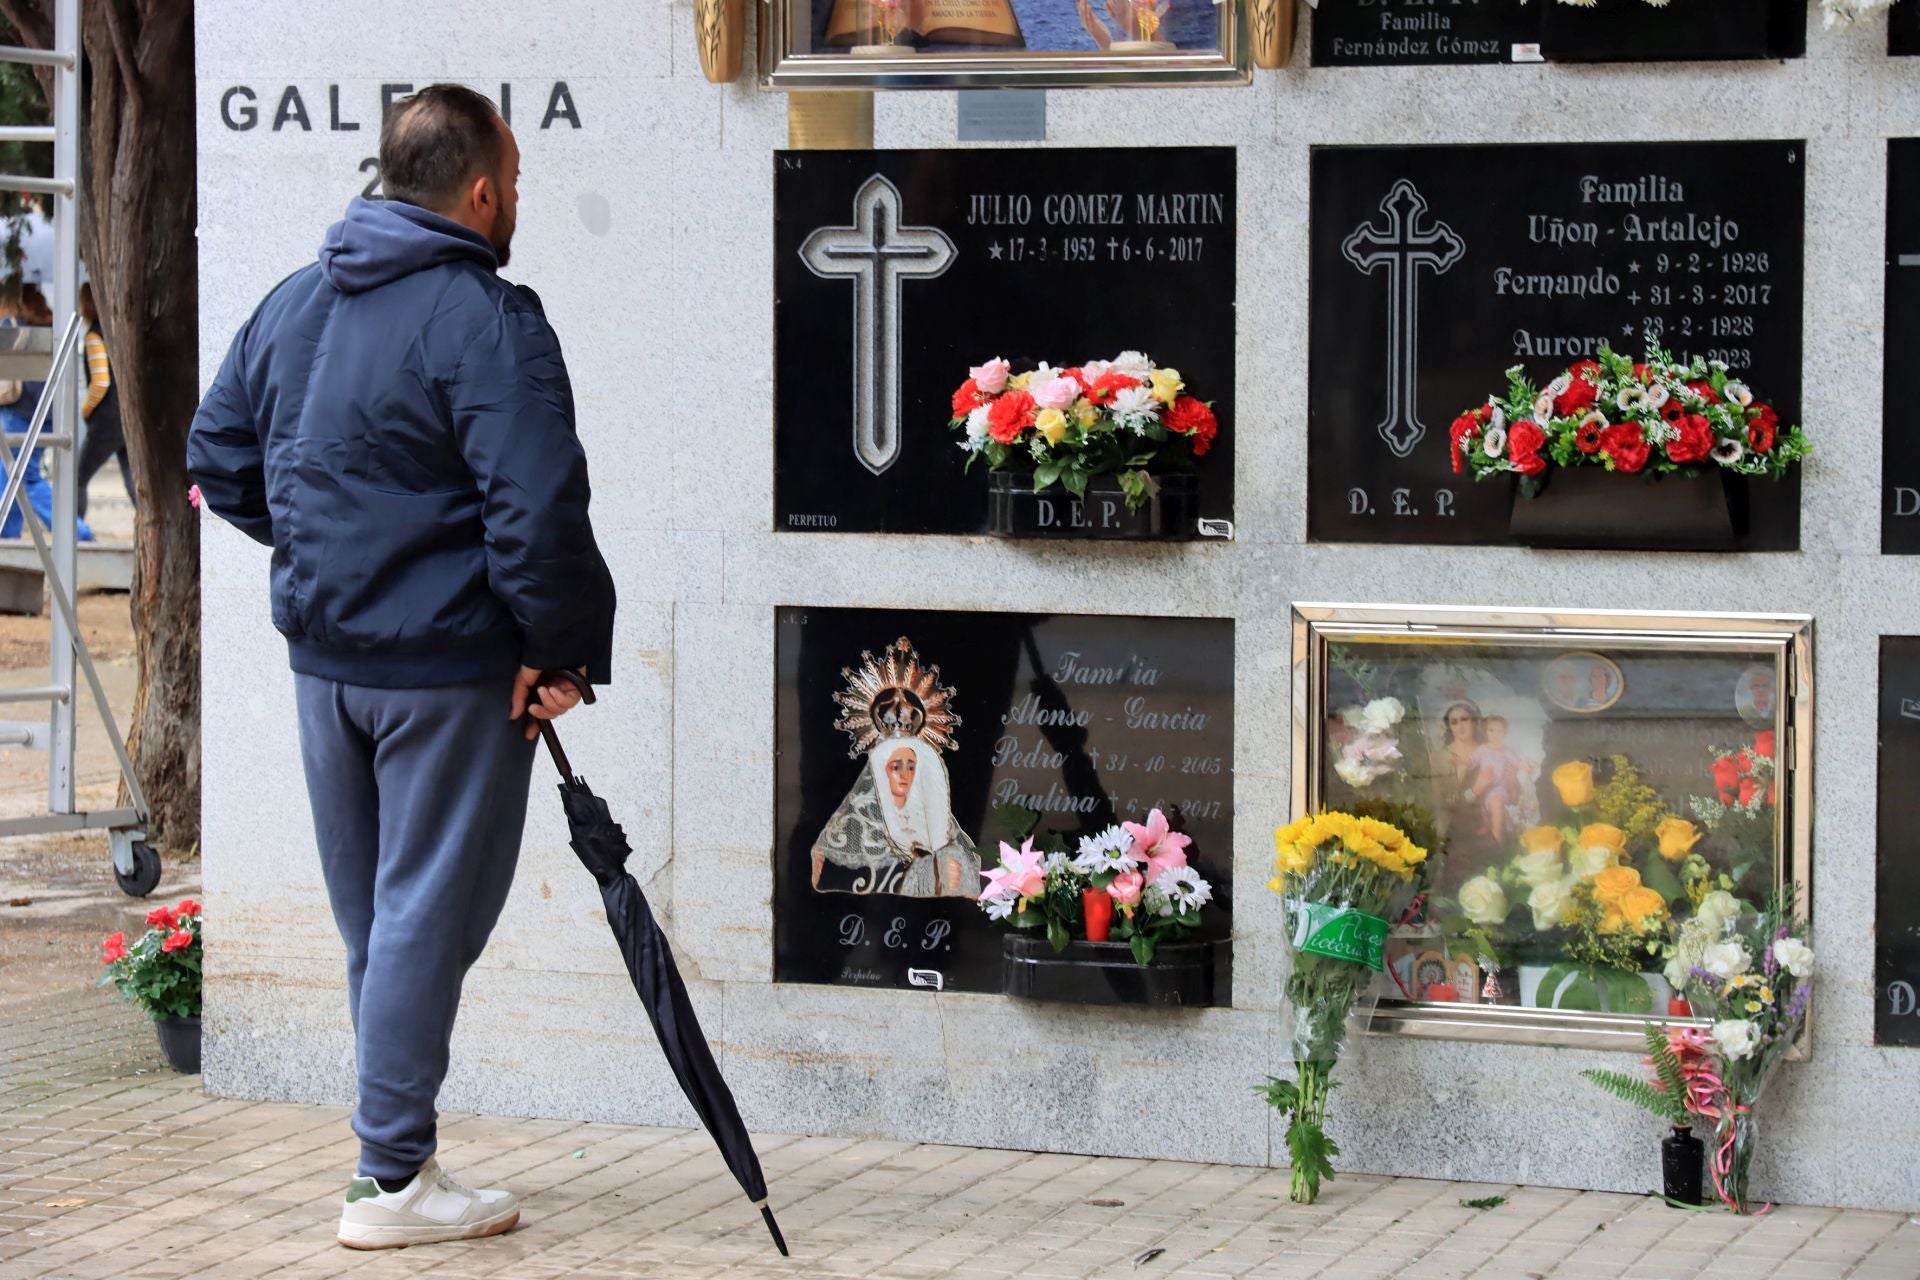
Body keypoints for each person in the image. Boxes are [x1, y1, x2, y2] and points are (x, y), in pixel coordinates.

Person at [187, 85, 616, 1251]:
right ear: (480, 190)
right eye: (516, 184)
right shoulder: (486, 317)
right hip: (444, 672)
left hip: (328, 665)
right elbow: (536, 505)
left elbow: (215, 455)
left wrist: (333, 547)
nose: (516, 202)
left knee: (384, 918)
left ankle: (397, 1155)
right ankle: (390, 1180)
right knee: (428, 911)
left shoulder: (296, 299)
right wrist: (556, 649)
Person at [0, 284, 90, 542]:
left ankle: (75, 532)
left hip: (21, 413)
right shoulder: (52, 329)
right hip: (45, 414)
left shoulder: (15, 329)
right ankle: (8, 535)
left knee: (21, 479)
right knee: (10, 477)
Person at [75, 282, 133, 531]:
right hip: (126, 418)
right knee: (133, 478)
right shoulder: (117, 334)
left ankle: (76, 532)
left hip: (106, 421)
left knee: (76, 479)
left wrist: (85, 409)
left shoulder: (94, 336)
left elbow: (100, 382)